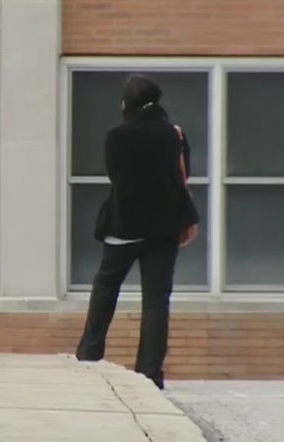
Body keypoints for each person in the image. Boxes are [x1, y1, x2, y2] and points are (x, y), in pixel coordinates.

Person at [75, 73, 200, 390]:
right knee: (156, 300)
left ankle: (90, 354)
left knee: (106, 286)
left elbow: (115, 175)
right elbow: (182, 178)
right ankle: (150, 373)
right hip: (165, 228)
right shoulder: (174, 134)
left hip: (125, 225)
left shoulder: (117, 136)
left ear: (126, 103)